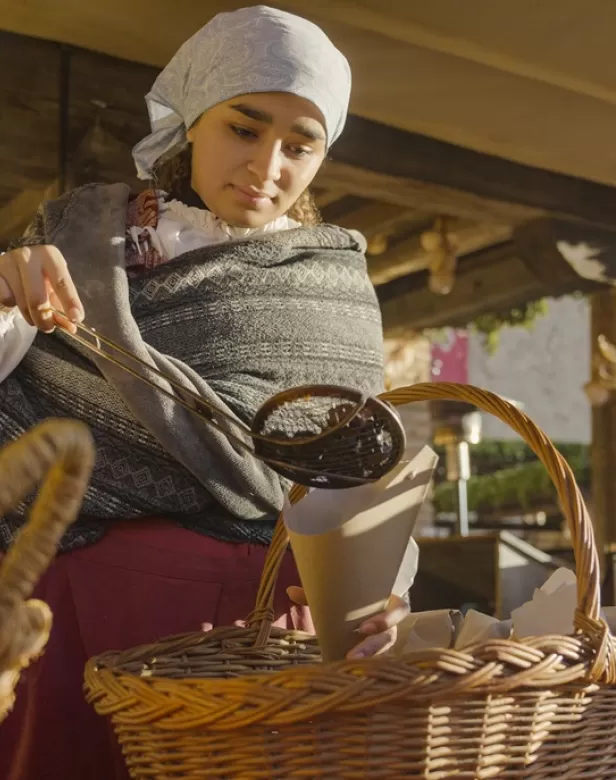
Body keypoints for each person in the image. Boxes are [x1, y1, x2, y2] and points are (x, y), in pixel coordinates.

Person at [0, 7, 414, 779]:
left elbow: (361, 475)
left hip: (262, 637)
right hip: (75, 626)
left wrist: (383, 587)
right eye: (245, 128)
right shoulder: (77, 242)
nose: (268, 165)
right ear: (193, 118)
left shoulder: (337, 287)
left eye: (301, 143)